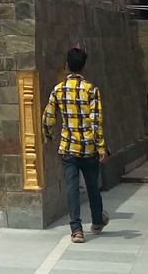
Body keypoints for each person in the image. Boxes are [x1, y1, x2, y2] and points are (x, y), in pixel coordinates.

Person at [42, 47, 109, 243]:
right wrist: (101, 147)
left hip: (68, 148)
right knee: (92, 186)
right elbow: (96, 121)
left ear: (66, 66)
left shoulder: (58, 89)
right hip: (88, 147)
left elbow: (48, 118)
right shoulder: (92, 90)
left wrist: (49, 136)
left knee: (72, 187)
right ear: (84, 66)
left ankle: (76, 230)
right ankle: (97, 221)